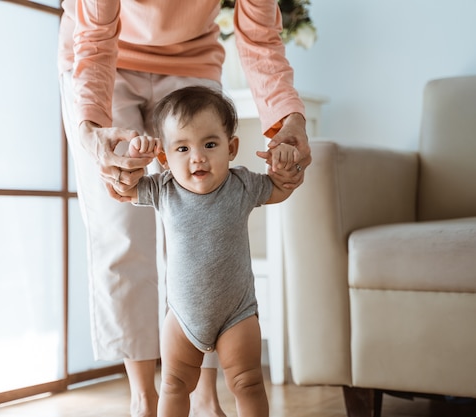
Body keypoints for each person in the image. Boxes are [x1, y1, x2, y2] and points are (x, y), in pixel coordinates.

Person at [58, 1, 311, 416]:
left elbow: (261, 34)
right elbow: (96, 37)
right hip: (103, 55)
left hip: (192, 58)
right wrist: (91, 129)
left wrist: (288, 116)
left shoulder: (243, 183)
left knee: (205, 210)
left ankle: (206, 398)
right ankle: (143, 397)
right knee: (120, 232)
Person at [113, 85, 299, 417]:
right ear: (164, 157)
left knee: (248, 384)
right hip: (183, 317)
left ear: (232, 148)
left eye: (210, 144)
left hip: (237, 313)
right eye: (182, 148)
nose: (197, 157)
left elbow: (280, 189)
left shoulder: (243, 184)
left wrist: (285, 169)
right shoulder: (163, 188)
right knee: (173, 385)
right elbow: (123, 188)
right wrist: (131, 159)